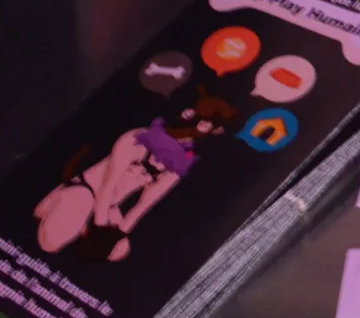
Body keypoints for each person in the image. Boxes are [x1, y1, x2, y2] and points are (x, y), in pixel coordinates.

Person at [33, 92, 239, 262]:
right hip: (86, 192)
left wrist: (115, 235)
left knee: (120, 250)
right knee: (51, 243)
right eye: (193, 116)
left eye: (205, 125)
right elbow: (108, 184)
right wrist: (99, 227)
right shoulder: (137, 138)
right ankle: (59, 209)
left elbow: (143, 205)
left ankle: (78, 226)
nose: (194, 125)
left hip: (110, 207)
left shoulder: (179, 164)